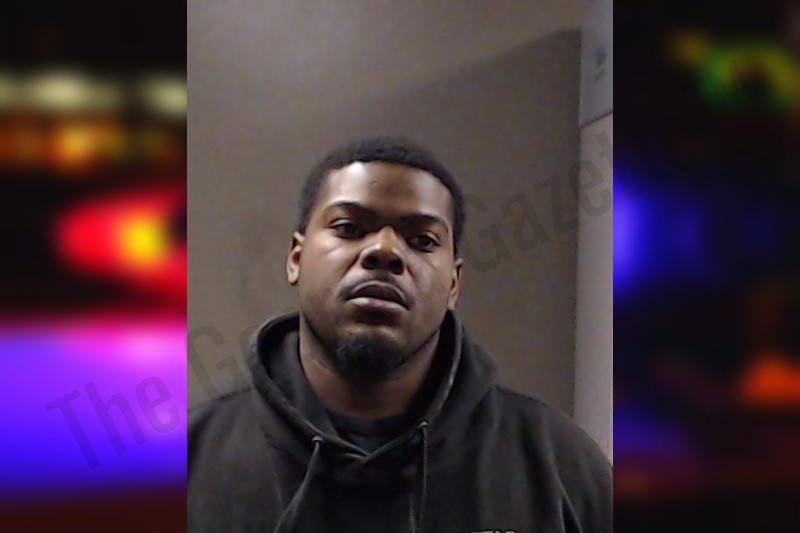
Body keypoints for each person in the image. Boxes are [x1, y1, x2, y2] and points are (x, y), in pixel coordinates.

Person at [188, 136, 612, 533]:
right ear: (296, 258)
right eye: (348, 227)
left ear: (453, 283)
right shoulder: (188, 458)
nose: (385, 250)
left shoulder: (562, 467)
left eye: (422, 240)